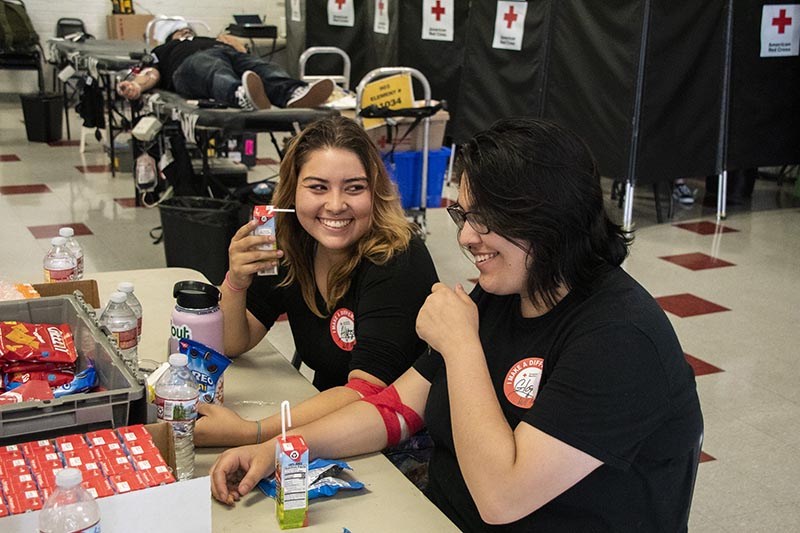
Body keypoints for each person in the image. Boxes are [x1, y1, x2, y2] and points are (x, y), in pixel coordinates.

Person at [208, 117, 704, 531]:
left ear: (551, 219)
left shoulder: (618, 338)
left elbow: (502, 497)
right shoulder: (504, 289)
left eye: (486, 219)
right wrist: (281, 447)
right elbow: (398, 406)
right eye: (464, 215)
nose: (467, 237)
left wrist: (462, 345)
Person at [194, 115, 439, 448]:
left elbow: (366, 393)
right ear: (292, 191)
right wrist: (236, 280)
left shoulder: (397, 258)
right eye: (318, 187)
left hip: (392, 442)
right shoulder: (292, 243)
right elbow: (234, 343)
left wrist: (253, 433)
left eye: (354, 188)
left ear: (375, 191)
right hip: (320, 420)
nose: (336, 205)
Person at [117, 26, 334, 110]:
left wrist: (231, 43)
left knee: (259, 66)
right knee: (214, 71)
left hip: (226, 53)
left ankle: (292, 93)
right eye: (179, 31)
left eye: (187, 29)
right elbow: (151, 73)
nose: (185, 32)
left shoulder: (211, 39)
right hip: (187, 67)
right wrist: (136, 86)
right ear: (170, 37)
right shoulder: (164, 49)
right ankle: (238, 94)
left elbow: (245, 57)